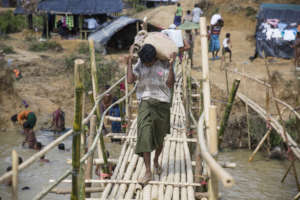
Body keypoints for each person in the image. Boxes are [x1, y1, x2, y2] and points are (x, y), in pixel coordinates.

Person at [126, 44, 176, 184]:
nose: (147, 64)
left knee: (160, 138)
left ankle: (156, 160)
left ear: (155, 58)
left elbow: (170, 83)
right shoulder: (141, 64)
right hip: (146, 103)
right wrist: (129, 62)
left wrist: (172, 66)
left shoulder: (165, 64)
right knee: (144, 134)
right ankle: (148, 171)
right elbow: (130, 80)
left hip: (162, 104)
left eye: (149, 62)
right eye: (145, 62)